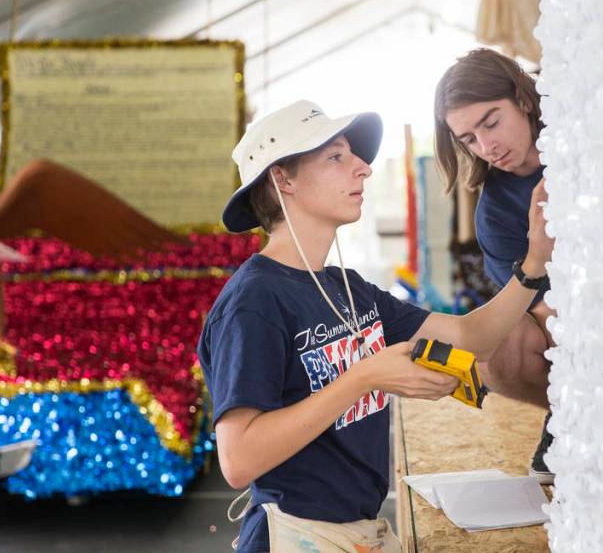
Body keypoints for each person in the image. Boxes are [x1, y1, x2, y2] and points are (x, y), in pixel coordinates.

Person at [197, 100, 553, 553]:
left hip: (362, 531)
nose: (363, 169)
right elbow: (238, 459)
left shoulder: (349, 289)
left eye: (354, 156)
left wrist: (533, 265)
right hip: (296, 536)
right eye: (336, 157)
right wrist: (366, 375)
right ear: (282, 179)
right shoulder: (255, 301)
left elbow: (473, 338)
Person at [433, 48, 556, 484]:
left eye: (491, 122)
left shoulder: (584, 138)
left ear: (523, 99)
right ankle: (569, 414)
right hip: (573, 324)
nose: (487, 147)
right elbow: (536, 307)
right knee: (494, 347)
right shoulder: (495, 212)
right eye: (468, 139)